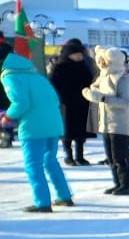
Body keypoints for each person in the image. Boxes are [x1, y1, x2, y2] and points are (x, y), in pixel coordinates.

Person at [0, 49, 74, 212]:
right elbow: (55, 99)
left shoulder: (10, 76)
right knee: (50, 161)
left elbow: (21, 103)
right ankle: (64, 196)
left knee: (33, 165)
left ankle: (42, 202)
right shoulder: (36, 75)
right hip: (53, 123)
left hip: (33, 127)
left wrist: (8, 117)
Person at [85, 48, 129, 195]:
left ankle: (126, 184)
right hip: (105, 121)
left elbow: (124, 102)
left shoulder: (123, 78)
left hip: (119, 123)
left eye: (105, 60)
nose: (101, 62)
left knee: (120, 155)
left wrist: (102, 98)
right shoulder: (103, 75)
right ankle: (118, 182)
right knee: (111, 157)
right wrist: (90, 93)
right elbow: (94, 88)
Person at [49, 38, 95, 166]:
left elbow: (90, 82)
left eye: (81, 54)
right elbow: (52, 86)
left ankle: (80, 156)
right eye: (77, 54)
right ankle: (68, 156)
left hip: (82, 104)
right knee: (67, 131)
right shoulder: (59, 67)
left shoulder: (84, 67)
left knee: (81, 132)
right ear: (69, 54)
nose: (80, 56)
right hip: (65, 105)